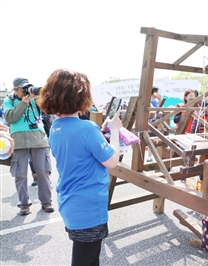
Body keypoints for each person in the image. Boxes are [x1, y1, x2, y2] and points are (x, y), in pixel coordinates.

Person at [37, 69, 122, 266]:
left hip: (70, 203)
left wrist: (98, 135)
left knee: (88, 257)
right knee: (85, 259)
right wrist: (115, 131)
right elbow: (112, 161)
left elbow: (78, 150)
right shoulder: (87, 128)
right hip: (89, 207)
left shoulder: (56, 129)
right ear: (82, 97)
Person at [3, 77, 54, 215]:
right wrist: (24, 102)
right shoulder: (10, 100)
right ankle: (24, 204)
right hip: (19, 141)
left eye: (27, 87)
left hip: (38, 139)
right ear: (15, 89)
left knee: (43, 172)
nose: (26, 91)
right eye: (23, 88)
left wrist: (40, 96)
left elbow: (50, 109)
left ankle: (46, 202)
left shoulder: (35, 98)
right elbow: (10, 118)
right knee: (20, 174)